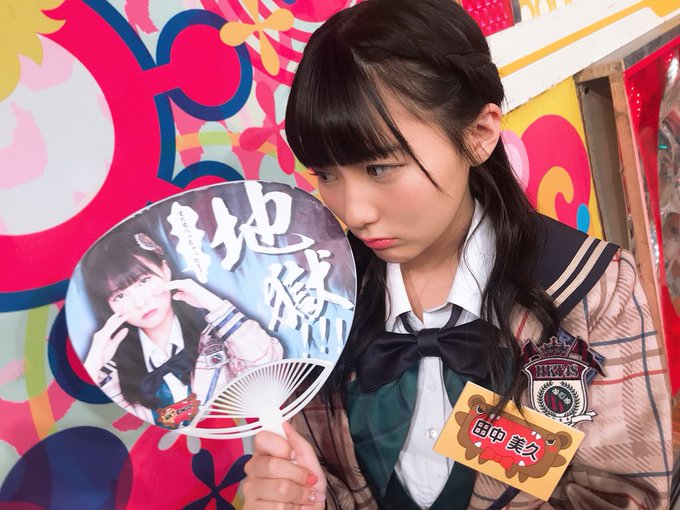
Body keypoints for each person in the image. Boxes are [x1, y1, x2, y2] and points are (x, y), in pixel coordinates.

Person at [241, 0, 673, 508]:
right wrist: (304, 499)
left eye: (379, 168)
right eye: (327, 174)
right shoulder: (310, 303)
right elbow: (329, 480)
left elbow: (629, 495)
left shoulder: (589, 290)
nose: (353, 212)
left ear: (479, 134)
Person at [80, 231, 284, 428]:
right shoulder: (113, 374)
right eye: (120, 296)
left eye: (144, 281)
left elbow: (270, 368)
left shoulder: (220, 335)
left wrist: (216, 307)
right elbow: (107, 426)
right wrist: (93, 366)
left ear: (165, 270)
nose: (140, 302)